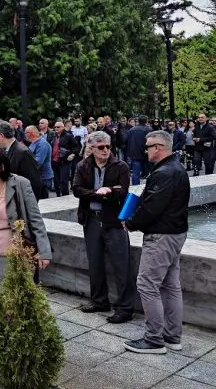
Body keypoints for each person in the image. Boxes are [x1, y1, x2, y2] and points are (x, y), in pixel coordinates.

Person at [123, 131, 189, 355]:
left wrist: (131, 223)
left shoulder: (164, 172)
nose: (146, 151)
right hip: (175, 233)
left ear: (159, 147)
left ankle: (153, 340)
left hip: (161, 235)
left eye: (148, 147)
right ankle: (172, 336)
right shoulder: (177, 169)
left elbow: (152, 208)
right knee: (171, 285)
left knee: (147, 284)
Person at [73, 132, 135, 324]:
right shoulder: (83, 166)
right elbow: (77, 190)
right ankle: (99, 301)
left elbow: (122, 193)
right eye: (101, 147)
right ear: (91, 148)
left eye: (108, 146)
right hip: (91, 219)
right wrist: (98, 193)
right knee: (95, 262)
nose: (106, 150)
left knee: (121, 265)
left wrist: (106, 193)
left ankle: (125, 308)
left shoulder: (120, 166)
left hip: (114, 221)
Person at [0, 148, 52, 288]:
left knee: (13, 300)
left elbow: (36, 220)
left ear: (2, 166)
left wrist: (44, 252)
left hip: (15, 254)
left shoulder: (20, 183)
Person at [0, 120, 43, 200]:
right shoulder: (7, 150)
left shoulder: (23, 152)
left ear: (2, 136)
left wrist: (28, 207)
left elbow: (34, 182)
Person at [25, 125, 53, 201]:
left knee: (42, 203)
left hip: (43, 179)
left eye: (25, 133)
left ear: (30, 133)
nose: (25, 135)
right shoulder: (34, 143)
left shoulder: (42, 144)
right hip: (37, 178)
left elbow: (37, 163)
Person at [50, 121, 78, 196]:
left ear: (63, 127)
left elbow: (77, 147)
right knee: (56, 181)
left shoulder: (68, 136)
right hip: (54, 161)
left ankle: (65, 197)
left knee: (64, 181)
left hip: (64, 161)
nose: (56, 128)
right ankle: (58, 196)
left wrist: (72, 154)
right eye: (55, 127)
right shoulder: (53, 136)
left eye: (58, 127)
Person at [127, 115, 153, 184]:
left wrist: (129, 152)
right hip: (146, 153)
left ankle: (136, 189)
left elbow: (128, 141)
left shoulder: (131, 130)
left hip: (135, 154)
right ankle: (152, 186)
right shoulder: (149, 129)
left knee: (136, 173)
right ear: (146, 121)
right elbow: (151, 141)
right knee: (152, 171)